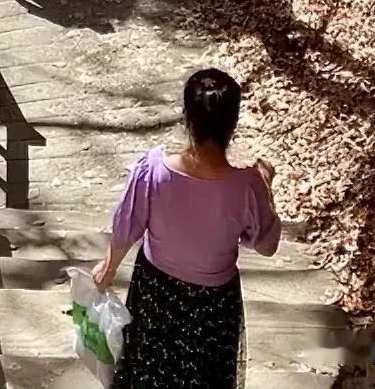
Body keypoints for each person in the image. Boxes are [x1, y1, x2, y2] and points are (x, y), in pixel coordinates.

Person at [93, 69, 280, 389]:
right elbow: (266, 244)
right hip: (214, 306)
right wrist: (267, 187)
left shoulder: (151, 171)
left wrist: (109, 268)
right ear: (232, 125)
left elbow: (127, 225)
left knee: (148, 371)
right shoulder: (248, 186)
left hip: (156, 294)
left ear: (186, 118)